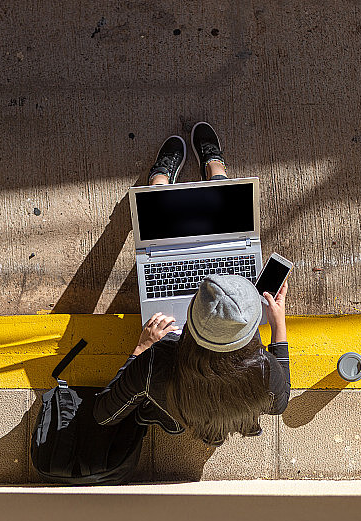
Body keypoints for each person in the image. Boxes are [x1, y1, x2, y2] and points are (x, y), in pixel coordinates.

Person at [93, 122, 291, 446]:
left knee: (159, 229)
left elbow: (103, 413)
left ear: (192, 322)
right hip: (206, 417)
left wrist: (141, 348)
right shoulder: (264, 372)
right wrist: (279, 325)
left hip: (183, 413)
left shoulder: (157, 362)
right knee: (228, 222)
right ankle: (215, 173)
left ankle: (160, 185)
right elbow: (280, 404)